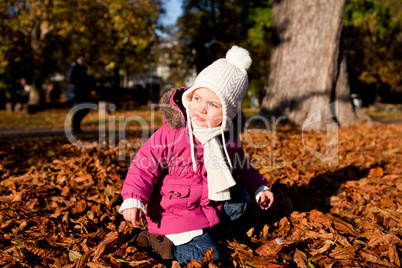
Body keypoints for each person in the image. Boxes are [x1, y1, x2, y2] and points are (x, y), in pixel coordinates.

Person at [119, 46, 274, 264]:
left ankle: (209, 231)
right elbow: (144, 165)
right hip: (173, 212)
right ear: (189, 97)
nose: (201, 108)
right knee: (210, 259)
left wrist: (259, 187)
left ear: (227, 114)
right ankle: (162, 242)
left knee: (241, 198)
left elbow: (242, 165)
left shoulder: (223, 138)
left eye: (212, 105)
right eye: (197, 98)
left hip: (203, 206)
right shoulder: (172, 134)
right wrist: (134, 199)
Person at [67, 55, 91, 134]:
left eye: (83, 59)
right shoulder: (74, 67)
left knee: (86, 108)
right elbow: (70, 79)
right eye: (81, 59)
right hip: (77, 92)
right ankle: (75, 128)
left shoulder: (83, 68)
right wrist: (79, 85)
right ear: (77, 59)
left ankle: (76, 126)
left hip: (83, 92)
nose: (82, 60)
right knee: (77, 109)